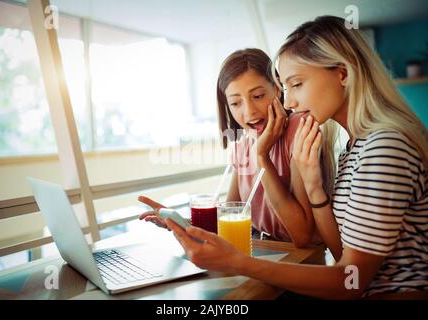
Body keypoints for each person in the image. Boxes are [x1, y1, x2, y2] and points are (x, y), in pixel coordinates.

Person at [165, 16, 428, 299]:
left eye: (297, 84)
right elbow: (343, 254)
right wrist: (315, 187)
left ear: (342, 73)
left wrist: (238, 262)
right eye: (287, 88)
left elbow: (349, 281)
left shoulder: (384, 149)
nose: (289, 102)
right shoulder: (357, 147)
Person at [139, 48, 336, 247]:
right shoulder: (243, 145)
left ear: (277, 89)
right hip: (259, 247)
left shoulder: (299, 130)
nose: (249, 111)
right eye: (235, 103)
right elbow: (229, 218)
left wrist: (261, 156)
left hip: (301, 258)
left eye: (258, 96)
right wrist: (178, 222)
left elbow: (301, 235)